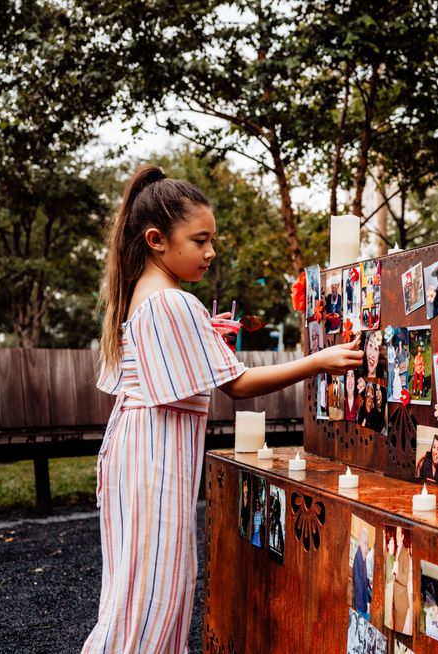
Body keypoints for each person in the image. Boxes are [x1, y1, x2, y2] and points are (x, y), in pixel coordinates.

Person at [87, 165, 361, 653]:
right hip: (154, 460)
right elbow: (236, 385)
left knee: (134, 588)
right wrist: (319, 361)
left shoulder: (144, 296)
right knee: (154, 590)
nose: (210, 252)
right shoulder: (174, 303)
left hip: (135, 449)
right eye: (200, 240)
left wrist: (201, 336)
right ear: (156, 239)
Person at [352, 527, 372, 621]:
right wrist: (365, 607)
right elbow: (358, 586)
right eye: (365, 543)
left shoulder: (363, 557)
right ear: (360, 542)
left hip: (363, 605)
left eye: (367, 544)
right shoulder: (358, 558)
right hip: (360, 607)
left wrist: (369, 582)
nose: (367, 547)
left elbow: (365, 580)